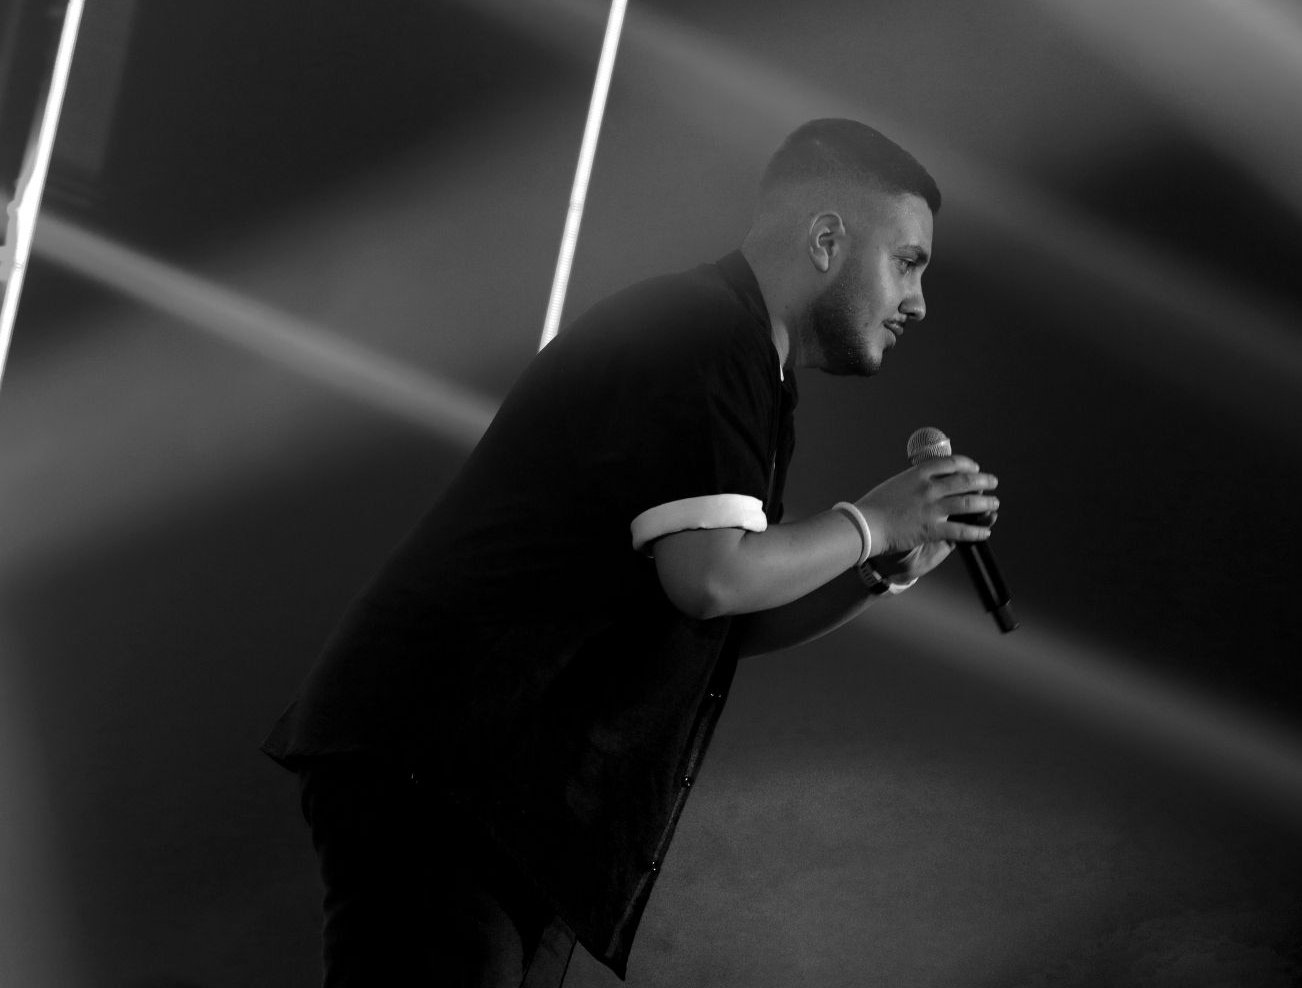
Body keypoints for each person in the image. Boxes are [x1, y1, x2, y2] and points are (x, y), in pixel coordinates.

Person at [261, 118, 998, 987]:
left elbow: (723, 620)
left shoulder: (749, 364)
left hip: (491, 792)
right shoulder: (703, 335)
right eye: (907, 262)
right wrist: (871, 521)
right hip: (447, 771)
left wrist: (874, 570)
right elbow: (712, 580)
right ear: (827, 238)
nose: (918, 301)